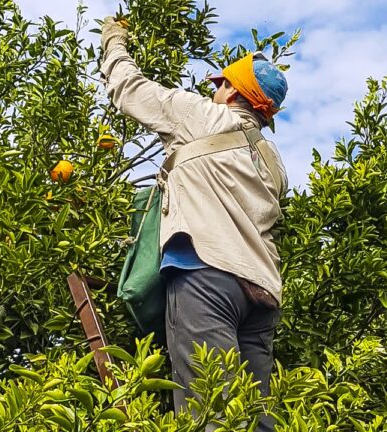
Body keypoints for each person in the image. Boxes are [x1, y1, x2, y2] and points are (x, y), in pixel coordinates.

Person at [101, 16, 289, 430]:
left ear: (235, 92)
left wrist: (114, 41)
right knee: (256, 418)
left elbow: (130, 90)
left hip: (207, 276)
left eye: (220, 84)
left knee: (210, 408)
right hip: (262, 293)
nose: (213, 90)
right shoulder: (274, 161)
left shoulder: (201, 116)